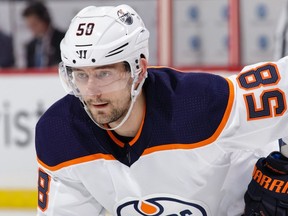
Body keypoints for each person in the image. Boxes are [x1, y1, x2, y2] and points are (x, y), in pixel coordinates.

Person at [35, 5, 288, 216]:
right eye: (80, 75)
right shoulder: (60, 134)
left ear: (139, 70)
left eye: (104, 73)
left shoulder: (200, 104)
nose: (91, 91)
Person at [22, 1, 65, 68]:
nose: (32, 29)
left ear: (45, 20)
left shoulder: (63, 39)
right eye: (29, 26)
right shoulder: (31, 46)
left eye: (34, 24)